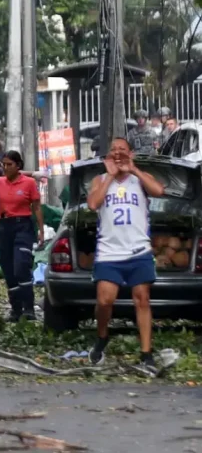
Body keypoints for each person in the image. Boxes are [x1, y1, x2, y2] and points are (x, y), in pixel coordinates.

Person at [86, 138, 164, 374]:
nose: (118, 153)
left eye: (123, 150)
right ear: (108, 156)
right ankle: (102, 337)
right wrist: (110, 176)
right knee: (104, 301)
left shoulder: (138, 179)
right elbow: (92, 204)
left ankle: (146, 353)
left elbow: (158, 190)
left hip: (138, 250)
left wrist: (135, 170)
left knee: (142, 298)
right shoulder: (99, 180)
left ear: (130, 153)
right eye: (114, 150)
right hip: (110, 252)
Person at [0, 151, 45, 321]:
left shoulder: (28, 183)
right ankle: (16, 309)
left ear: (18, 166)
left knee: (21, 265)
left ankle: (29, 308)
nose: (6, 168)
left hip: (23, 226)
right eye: (4, 165)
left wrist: (41, 230)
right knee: (8, 270)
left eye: (9, 165)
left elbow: (36, 207)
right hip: (4, 227)